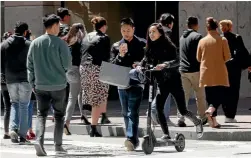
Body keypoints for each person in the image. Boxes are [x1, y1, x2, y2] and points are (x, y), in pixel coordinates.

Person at [138, 23, 203, 140]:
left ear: (160, 33)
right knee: (158, 108)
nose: (151, 34)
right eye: (150, 32)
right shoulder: (149, 48)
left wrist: (165, 64)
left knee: (182, 110)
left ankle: (197, 122)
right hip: (161, 83)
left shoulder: (169, 46)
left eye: (154, 32)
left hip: (174, 82)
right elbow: (145, 60)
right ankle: (166, 134)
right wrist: (140, 66)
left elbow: (177, 60)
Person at [27, 14, 71, 156]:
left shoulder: (35, 43)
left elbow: (30, 65)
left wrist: (32, 82)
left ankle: (38, 141)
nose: (60, 28)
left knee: (41, 115)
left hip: (40, 85)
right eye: (59, 25)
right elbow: (67, 65)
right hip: (59, 85)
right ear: (53, 26)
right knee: (59, 116)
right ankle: (58, 146)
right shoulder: (61, 43)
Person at [110, 17, 146, 151]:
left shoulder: (142, 43)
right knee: (125, 112)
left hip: (136, 82)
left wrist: (139, 64)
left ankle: (130, 138)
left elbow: (147, 60)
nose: (126, 33)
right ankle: (133, 140)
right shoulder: (116, 45)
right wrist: (120, 55)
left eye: (128, 30)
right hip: (121, 82)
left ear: (133, 29)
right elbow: (112, 65)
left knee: (133, 111)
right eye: (123, 30)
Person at [1, 22, 32, 144]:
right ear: (25, 32)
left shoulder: (3, 44)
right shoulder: (29, 45)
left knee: (14, 104)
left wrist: (4, 74)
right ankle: (23, 135)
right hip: (25, 78)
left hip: (10, 78)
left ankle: (13, 129)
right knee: (24, 105)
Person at [197, 17, 231, 128]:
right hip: (220, 72)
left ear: (207, 28)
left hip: (206, 73)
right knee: (222, 96)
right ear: (217, 27)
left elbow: (198, 58)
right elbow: (227, 57)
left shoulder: (202, 41)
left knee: (210, 98)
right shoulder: (222, 40)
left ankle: (214, 121)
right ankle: (211, 110)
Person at [80, 16, 110, 137]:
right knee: (98, 98)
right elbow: (106, 56)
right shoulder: (104, 37)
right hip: (97, 68)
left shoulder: (86, 36)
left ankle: (102, 116)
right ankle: (94, 127)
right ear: (103, 26)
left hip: (84, 68)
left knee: (95, 97)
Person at [219, 20, 250, 123]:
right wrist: (248, 64)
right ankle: (230, 116)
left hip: (222, 69)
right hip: (234, 69)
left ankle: (226, 113)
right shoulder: (236, 37)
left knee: (223, 91)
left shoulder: (218, 38)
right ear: (230, 27)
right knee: (234, 92)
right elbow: (243, 52)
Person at [179, 16, 207, 126]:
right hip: (195, 70)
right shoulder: (198, 36)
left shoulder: (182, 37)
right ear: (196, 25)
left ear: (187, 25)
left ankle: (181, 119)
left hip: (183, 70)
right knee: (199, 95)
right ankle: (203, 117)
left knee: (183, 97)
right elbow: (201, 54)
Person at [63, 23, 90, 136]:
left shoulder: (67, 40)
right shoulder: (81, 41)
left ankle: (83, 116)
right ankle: (67, 122)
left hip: (68, 70)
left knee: (80, 93)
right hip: (78, 69)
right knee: (73, 97)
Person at [150, 13, 176, 126]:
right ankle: (163, 117)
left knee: (160, 90)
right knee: (165, 92)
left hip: (155, 66)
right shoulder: (168, 32)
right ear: (170, 23)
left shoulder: (155, 31)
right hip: (165, 68)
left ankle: (155, 115)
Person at [1, 31, 12, 139]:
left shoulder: (1, 48)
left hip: (2, 82)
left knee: (7, 107)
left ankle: (6, 131)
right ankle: (12, 129)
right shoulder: (9, 50)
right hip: (11, 80)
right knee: (14, 105)